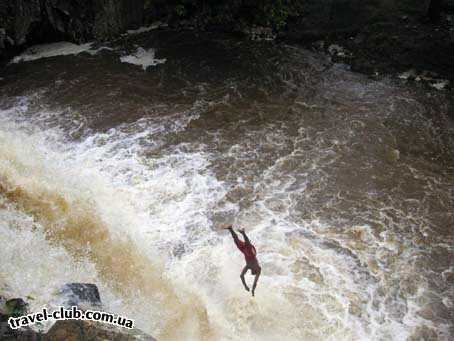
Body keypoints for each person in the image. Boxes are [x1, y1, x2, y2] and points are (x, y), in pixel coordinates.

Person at [225, 225, 261, 296]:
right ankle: (243, 233)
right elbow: (255, 282)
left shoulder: (248, 266)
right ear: (255, 271)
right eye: (253, 273)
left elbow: (241, 276)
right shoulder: (258, 269)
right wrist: (252, 290)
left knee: (236, 241)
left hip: (245, 252)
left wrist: (245, 286)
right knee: (248, 245)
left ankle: (230, 228)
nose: (251, 273)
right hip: (252, 254)